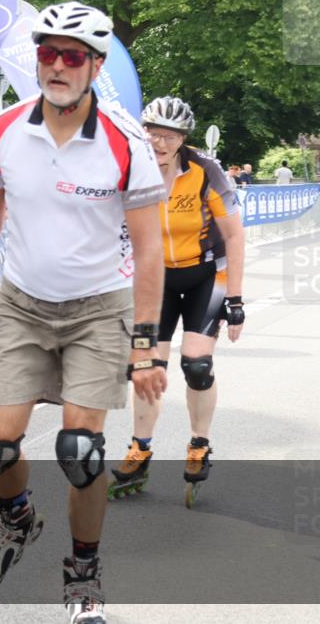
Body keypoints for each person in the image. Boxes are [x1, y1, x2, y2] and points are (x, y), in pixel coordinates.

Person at [0, 1, 167, 623]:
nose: (58, 66)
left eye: (73, 56)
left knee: (80, 449)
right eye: (48, 52)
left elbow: (151, 247)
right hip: (23, 302)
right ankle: (17, 518)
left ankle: (84, 575)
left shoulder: (127, 145)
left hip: (100, 308)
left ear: (95, 66)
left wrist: (146, 343)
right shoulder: (5, 130)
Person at [109, 96, 245, 509]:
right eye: (153, 133)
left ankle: (199, 444)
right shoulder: (130, 167)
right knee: (146, 366)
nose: (160, 142)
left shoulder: (206, 171)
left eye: (169, 136)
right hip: (157, 279)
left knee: (197, 365)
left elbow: (234, 235)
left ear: (183, 139)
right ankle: (140, 447)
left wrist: (236, 299)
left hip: (206, 274)